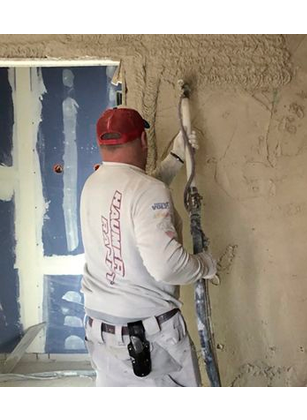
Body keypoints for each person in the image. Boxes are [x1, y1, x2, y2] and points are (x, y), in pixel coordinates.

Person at [80, 107, 217, 387]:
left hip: (102, 337)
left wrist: (176, 159)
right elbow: (168, 267)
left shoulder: (92, 185)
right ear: (143, 140)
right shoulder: (147, 191)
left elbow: (133, 197)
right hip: (149, 343)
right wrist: (205, 265)